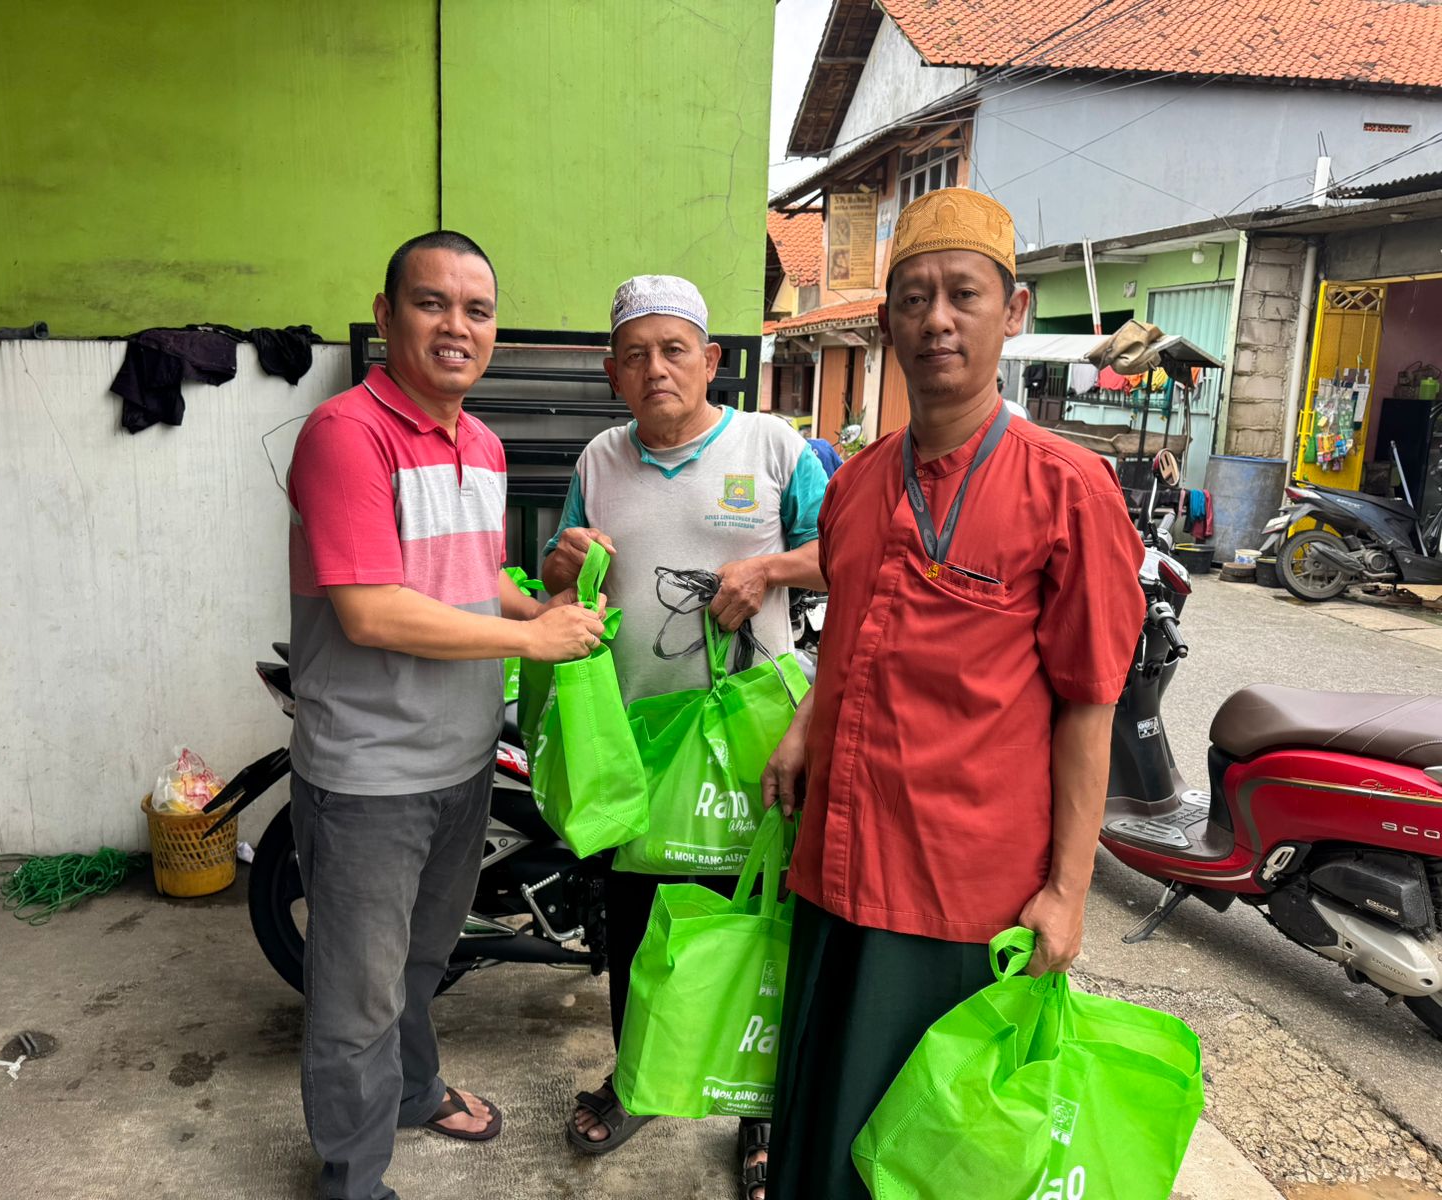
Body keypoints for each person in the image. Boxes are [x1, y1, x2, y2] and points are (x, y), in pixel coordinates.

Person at [758, 189, 1147, 1199]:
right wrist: (805, 726)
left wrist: (1065, 892)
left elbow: (1089, 703)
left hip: (959, 895)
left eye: (962, 295)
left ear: (1010, 311)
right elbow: (848, 631)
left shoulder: (1068, 489)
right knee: (821, 1124)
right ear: (884, 322)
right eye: (915, 298)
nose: (937, 319)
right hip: (836, 867)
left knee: (933, 1154)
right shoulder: (854, 482)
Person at [285, 230, 606, 1200]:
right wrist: (529, 644)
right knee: (355, 996)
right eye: (431, 303)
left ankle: (416, 1088)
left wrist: (536, 603)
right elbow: (372, 608)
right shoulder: (346, 435)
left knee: (425, 959)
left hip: (460, 763)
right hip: (369, 777)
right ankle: (353, 1179)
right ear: (386, 319)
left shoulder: (485, 443)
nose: (456, 326)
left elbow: (467, 582)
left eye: (476, 309)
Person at [539, 275, 829, 1200]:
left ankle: (758, 1112)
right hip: (639, 747)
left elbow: (850, 555)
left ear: (711, 361)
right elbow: (559, 578)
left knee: (755, 924)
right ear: (613, 373)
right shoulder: (598, 460)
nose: (656, 367)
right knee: (635, 925)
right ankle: (637, 1079)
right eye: (636, 353)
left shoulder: (773, 445)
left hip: (755, 748)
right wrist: (560, 566)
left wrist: (773, 565)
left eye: (675, 350)